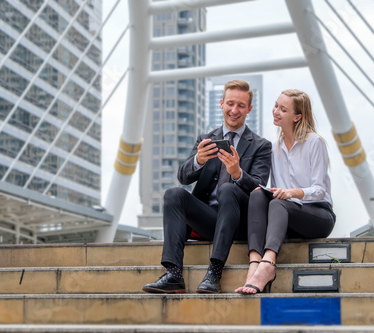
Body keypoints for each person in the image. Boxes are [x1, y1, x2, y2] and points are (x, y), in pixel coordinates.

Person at [143, 80, 272, 294]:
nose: (234, 110)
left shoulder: (261, 145)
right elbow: (183, 177)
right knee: (174, 194)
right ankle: (173, 274)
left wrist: (237, 174)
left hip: (239, 221)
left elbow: (260, 188)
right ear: (221, 104)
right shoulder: (205, 139)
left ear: (249, 109)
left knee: (229, 189)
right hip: (208, 218)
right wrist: (198, 161)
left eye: (241, 105)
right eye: (230, 103)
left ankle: (214, 272)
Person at [235, 89, 336, 294]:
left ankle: (268, 265)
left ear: (297, 117)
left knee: (279, 202)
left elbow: (319, 190)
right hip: (285, 215)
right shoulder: (274, 148)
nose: (276, 112)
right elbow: (272, 190)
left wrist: (292, 193)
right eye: (276, 106)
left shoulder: (314, 142)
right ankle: (254, 261)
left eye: (283, 109)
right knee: (258, 194)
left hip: (318, 215)